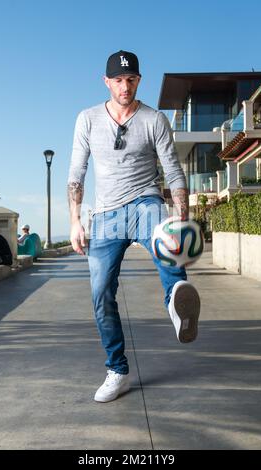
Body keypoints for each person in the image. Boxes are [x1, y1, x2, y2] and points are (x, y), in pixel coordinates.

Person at [68, 50, 201, 403]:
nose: (124, 87)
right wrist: (75, 222)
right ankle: (117, 371)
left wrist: (181, 214)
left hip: (146, 201)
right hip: (106, 215)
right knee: (100, 294)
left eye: (131, 80)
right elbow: (76, 174)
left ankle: (177, 301)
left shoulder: (154, 120)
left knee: (168, 243)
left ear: (138, 80)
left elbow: (172, 170)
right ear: (106, 81)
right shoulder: (88, 119)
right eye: (118, 80)